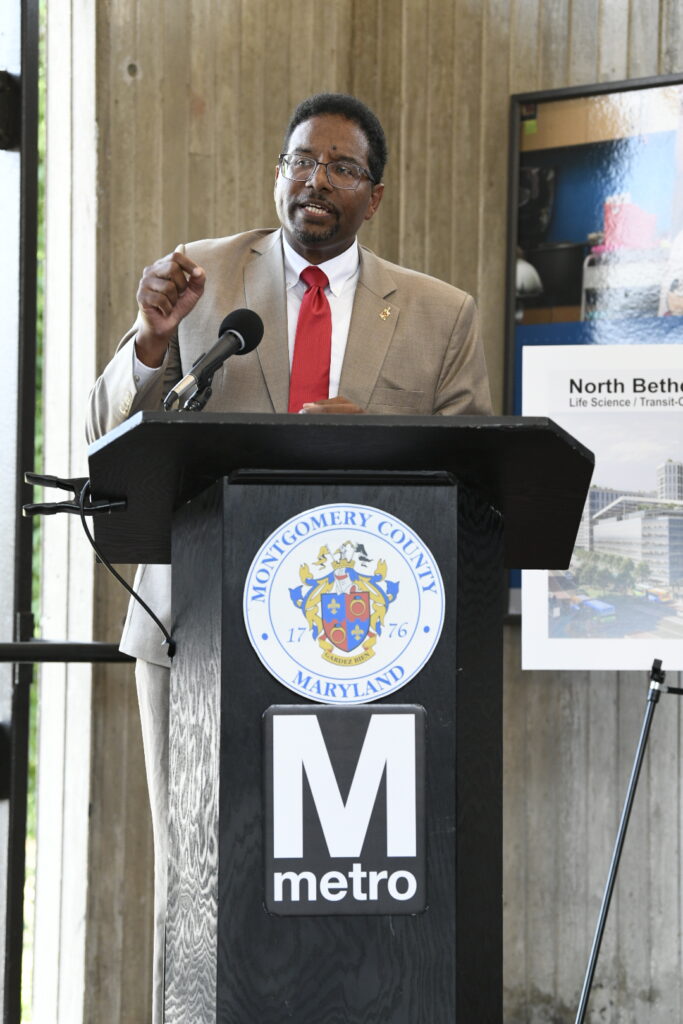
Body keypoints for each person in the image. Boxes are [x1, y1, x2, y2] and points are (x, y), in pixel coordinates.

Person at [86, 92, 491, 1023]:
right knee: (197, 873)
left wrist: (374, 447)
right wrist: (149, 339)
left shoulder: (439, 313)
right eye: (300, 159)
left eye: (340, 167)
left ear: (374, 196)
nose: (315, 180)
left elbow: (477, 481)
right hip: (196, 626)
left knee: (349, 884)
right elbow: (106, 437)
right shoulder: (200, 277)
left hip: (368, 645)